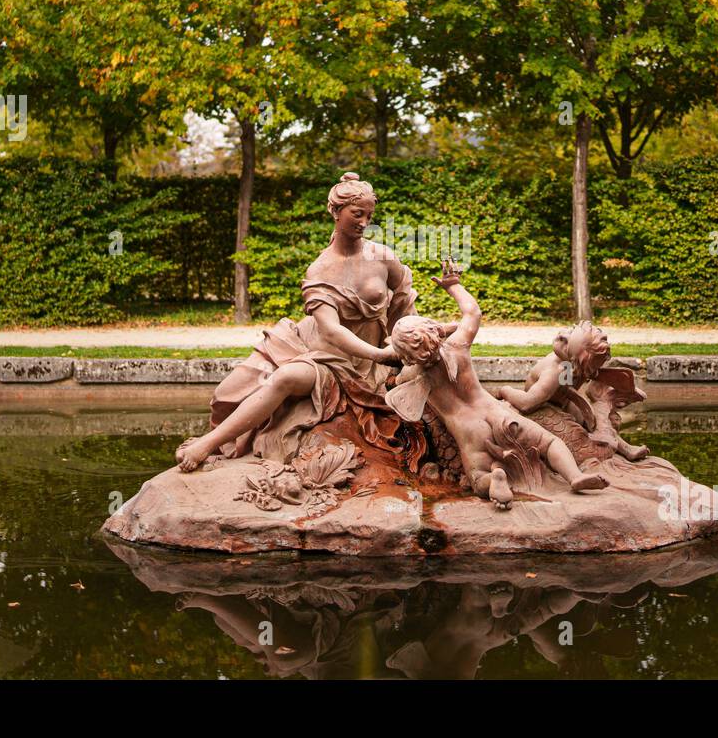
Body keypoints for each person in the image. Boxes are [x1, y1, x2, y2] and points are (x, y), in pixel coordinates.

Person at [175, 172, 418, 471]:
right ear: (336, 211)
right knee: (234, 390)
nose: (364, 223)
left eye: (369, 215)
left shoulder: (382, 256)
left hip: (360, 364)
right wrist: (381, 354)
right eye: (357, 214)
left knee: (285, 378)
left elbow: (403, 302)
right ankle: (214, 442)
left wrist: (406, 343)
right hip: (322, 352)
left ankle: (206, 444)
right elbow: (331, 330)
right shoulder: (320, 269)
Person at [384, 260, 608, 509]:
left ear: (406, 356)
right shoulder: (458, 345)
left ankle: (494, 479)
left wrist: (395, 354)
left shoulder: (413, 374)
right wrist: (453, 285)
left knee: (477, 477)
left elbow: (389, 371)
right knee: (549, 442)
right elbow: (473, 312)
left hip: (469, 433)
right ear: (435, 331)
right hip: (496, 412)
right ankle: (574, 476)